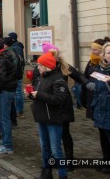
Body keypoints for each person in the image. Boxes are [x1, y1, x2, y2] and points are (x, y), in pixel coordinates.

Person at [26, 51, 68, 179]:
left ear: (47, 66)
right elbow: (40, 97)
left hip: (53, 119)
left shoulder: (58, 79)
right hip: (42, 117)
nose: (38, 67)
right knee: (45, 148)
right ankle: (46, 173)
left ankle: (62, 175)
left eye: (40, 65)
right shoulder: (41, 78)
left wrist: (39, 95)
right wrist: (31, 95)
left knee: (56, 150)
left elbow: (59, 100)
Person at [0, 39, 17, 154]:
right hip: (7, 88)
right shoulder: (7, 55)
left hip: (5, 90)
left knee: (4, 118)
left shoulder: (1, 58)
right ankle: (4, 140)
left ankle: (7, 145)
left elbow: (0, 76)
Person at [91, 41, 110, 174]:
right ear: (104, 55)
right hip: (101, 109)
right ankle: (106, 162)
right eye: (108, 53)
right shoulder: (100, 68)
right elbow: (97, 89)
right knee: (103, 138)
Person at [8, 32, 25, 119]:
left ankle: (19, 110)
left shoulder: (16, 47)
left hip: (17, 73)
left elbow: (19, 61)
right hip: (17, 72)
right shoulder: (16, 46)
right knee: (17, 92)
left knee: (18, 92)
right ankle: (17, 109)